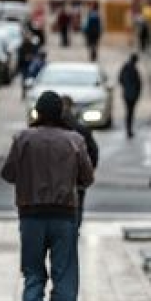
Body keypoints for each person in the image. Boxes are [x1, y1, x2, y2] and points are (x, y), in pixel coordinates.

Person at [1, 91, 94, 301]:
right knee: (65, 273)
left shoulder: (23, 139)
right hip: (64, 215)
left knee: (32, 271)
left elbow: (8, 173)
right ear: (61, 113)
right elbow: (87, 178)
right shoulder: (75, 140)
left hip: (30, 215)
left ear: (38, 113)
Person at [59, 94, 99, 229]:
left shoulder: (51, 130)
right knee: (77, 209)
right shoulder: (81, 130)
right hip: (78, 179)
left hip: (57, 180)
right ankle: (74, 233)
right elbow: (93, 152)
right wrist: (89, 171)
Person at [118, 54, 142, 138]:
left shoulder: (126, 67)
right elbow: (138, 83)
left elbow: (120, 79)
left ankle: (128, 129)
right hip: (132, 94)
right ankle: (129, 129)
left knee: (129, 112)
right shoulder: (133, 69)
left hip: (127, 94)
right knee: (130, 112)